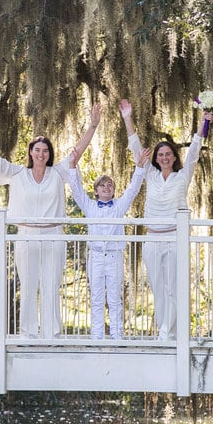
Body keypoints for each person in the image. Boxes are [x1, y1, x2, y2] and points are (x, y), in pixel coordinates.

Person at [0, 105, 100, 338]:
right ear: (30, 152)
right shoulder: (17, 174)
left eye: (45, 150)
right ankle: (27, 334)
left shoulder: (57, 173)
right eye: (37, 150)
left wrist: (93, 125)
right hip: (26, 236)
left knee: (51, 286)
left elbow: (77, 152)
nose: (41, 154)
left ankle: (52, 334)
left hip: (54, 235)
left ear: (49, 154)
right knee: (28, 286)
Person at [120, 99, 212, 340]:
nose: (164, 157)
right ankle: (167, 331)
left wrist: (205, 122)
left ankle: (166, 333)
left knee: (173, 287)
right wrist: (128, 118)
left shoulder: (183, 177)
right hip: (152, 239)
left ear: (174, 157)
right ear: (156, 158)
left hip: (174, 237)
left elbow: (194, 150)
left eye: (168, 154)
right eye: (160, 154)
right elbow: (135, 148)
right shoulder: (149, 175)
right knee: (158, 287)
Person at [67, 138, 151, 340]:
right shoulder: (89, 206)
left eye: (110, 185)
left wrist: (139, 167)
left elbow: (132, 190)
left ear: (113, 190)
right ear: (96, 191)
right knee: (96, 297)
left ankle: (117, 335)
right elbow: (76, 189)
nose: (106, 187)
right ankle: (97, 336)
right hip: (95, 257)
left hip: (114, 256)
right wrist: (72, 166)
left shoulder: (119, 207)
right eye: (102, 185)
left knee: (114, 298)